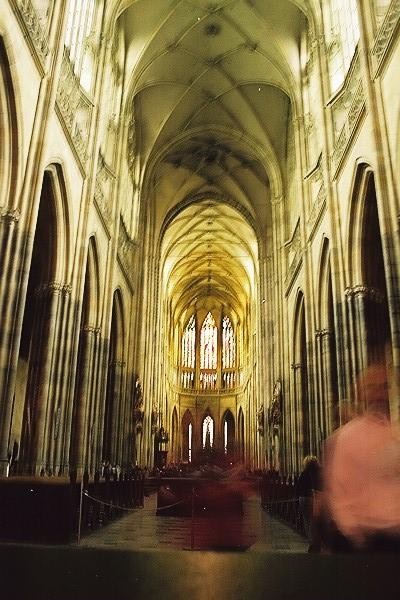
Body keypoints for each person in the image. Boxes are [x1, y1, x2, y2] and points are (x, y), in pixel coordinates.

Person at [324, 363, 400, 552]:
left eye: (384, 386)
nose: (379, 393)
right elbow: (340, 493)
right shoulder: (347, 437)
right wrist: (356, 537)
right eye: (372, 387)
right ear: (360, 394)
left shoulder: (393, 433)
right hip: (367, 539)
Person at [296, 455, 322, 552]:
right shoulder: (319, 474)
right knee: (315, 521)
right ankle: (316, 543)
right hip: (316, 498)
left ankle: (312, 543)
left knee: (307, 522)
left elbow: (298, 487)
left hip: (304, 498)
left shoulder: (304, 473)